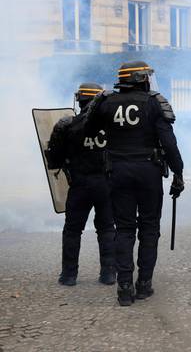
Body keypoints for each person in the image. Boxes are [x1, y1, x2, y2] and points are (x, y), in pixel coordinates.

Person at [85, 61, 184, 306]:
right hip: (148, 171)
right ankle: (144, 285)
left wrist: (98, 105)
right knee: (149, 227)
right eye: (147, 76)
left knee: (125, 229)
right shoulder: (154, 102)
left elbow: (89, 129)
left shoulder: (106, 102)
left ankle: (124, 288)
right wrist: (178, 173)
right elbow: (168, 143)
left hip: (117, 171)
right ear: (141, 79)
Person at [45, 83, 115, 287]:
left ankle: (69, 275)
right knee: (107, 228)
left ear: (80, 100)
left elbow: (54, 161)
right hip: (106, 184)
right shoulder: (111, 125)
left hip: (80, 185)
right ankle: (109, 273)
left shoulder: (67, 125)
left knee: (73, 230)